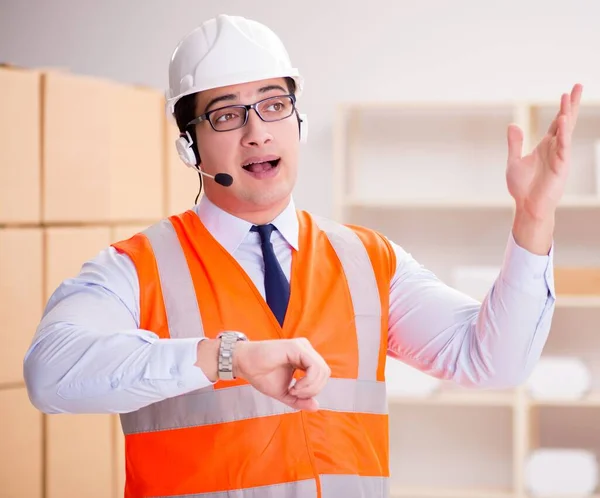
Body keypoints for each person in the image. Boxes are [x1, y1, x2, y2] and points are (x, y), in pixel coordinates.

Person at [23, 13, 582, 498]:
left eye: (273, 105)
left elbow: (494, 361)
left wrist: (534, 218)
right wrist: (228, 360)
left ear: (299, 120)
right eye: (225, 115)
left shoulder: (370, 261)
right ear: (189, 145)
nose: (257, 133)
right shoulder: (135, 268)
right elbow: (51, 376)